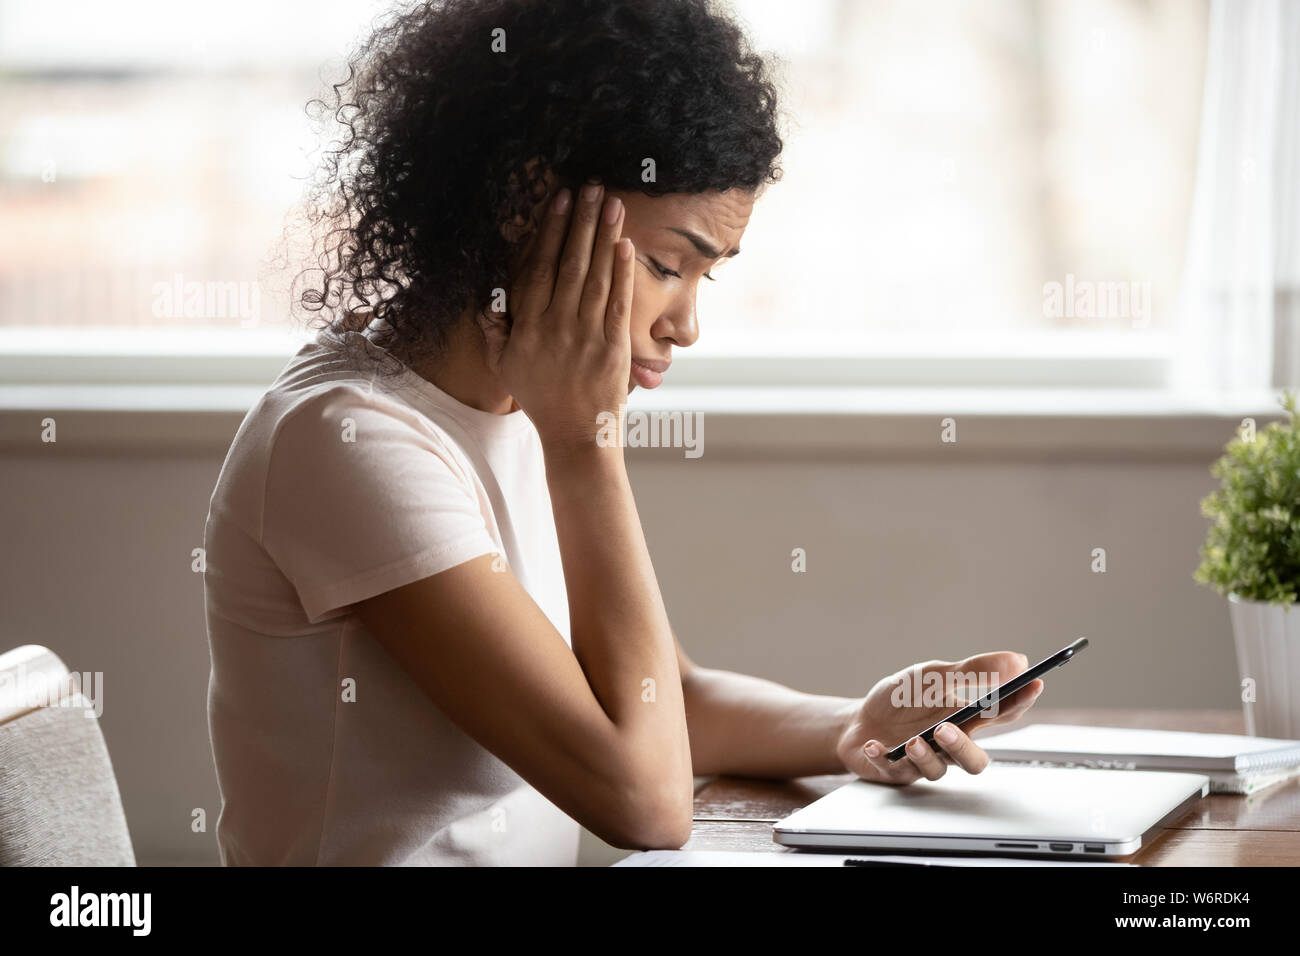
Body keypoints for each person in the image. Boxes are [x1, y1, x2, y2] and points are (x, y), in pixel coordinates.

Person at [203, 0, 1043, 866]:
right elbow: (644, 800)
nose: (686, 326)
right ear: (526, 200)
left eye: (706, 277)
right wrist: (586, 443)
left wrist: (853, 727)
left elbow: (665, 700)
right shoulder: (349, 443)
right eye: (667, 265)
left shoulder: (521, 409)